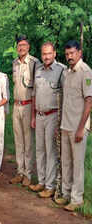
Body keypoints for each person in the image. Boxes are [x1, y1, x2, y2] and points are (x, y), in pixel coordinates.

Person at [55, 40, 92, 211]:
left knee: (77, 164)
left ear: (79, 53)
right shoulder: (67, 72)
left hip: (78, 127)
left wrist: (81, 128)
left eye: (72, 53)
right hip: (66, 125)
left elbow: (89, 101)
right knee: (66, 162)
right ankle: (66, 194)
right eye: (67, 53)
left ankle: (77, 199)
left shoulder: (85, 72)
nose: (69, 56)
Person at [29, 42, 66, 198]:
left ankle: (50, 186)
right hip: (39, 115)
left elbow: (65, 97)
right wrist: (32, 116)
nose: (46, 56)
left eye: (49, 53)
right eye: (44, 54)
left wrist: (61, 122)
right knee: (40, 150)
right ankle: (42, 181)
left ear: (55, 53)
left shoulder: (61, 70)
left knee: (50, 151)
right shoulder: (38, 70)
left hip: (53, 115)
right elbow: (34, 95)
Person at [10, 35, 41, 187]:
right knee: (18, 141)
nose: (21, 48)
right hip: (16, 106)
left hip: (29, 105)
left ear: (28, 47)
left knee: (28, 142)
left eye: (24, 45)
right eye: (19, 45)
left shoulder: (35, 63)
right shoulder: (14, 63)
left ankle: (28, 174)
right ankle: (20, 171)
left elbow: (36, 88)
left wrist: (35, 112)